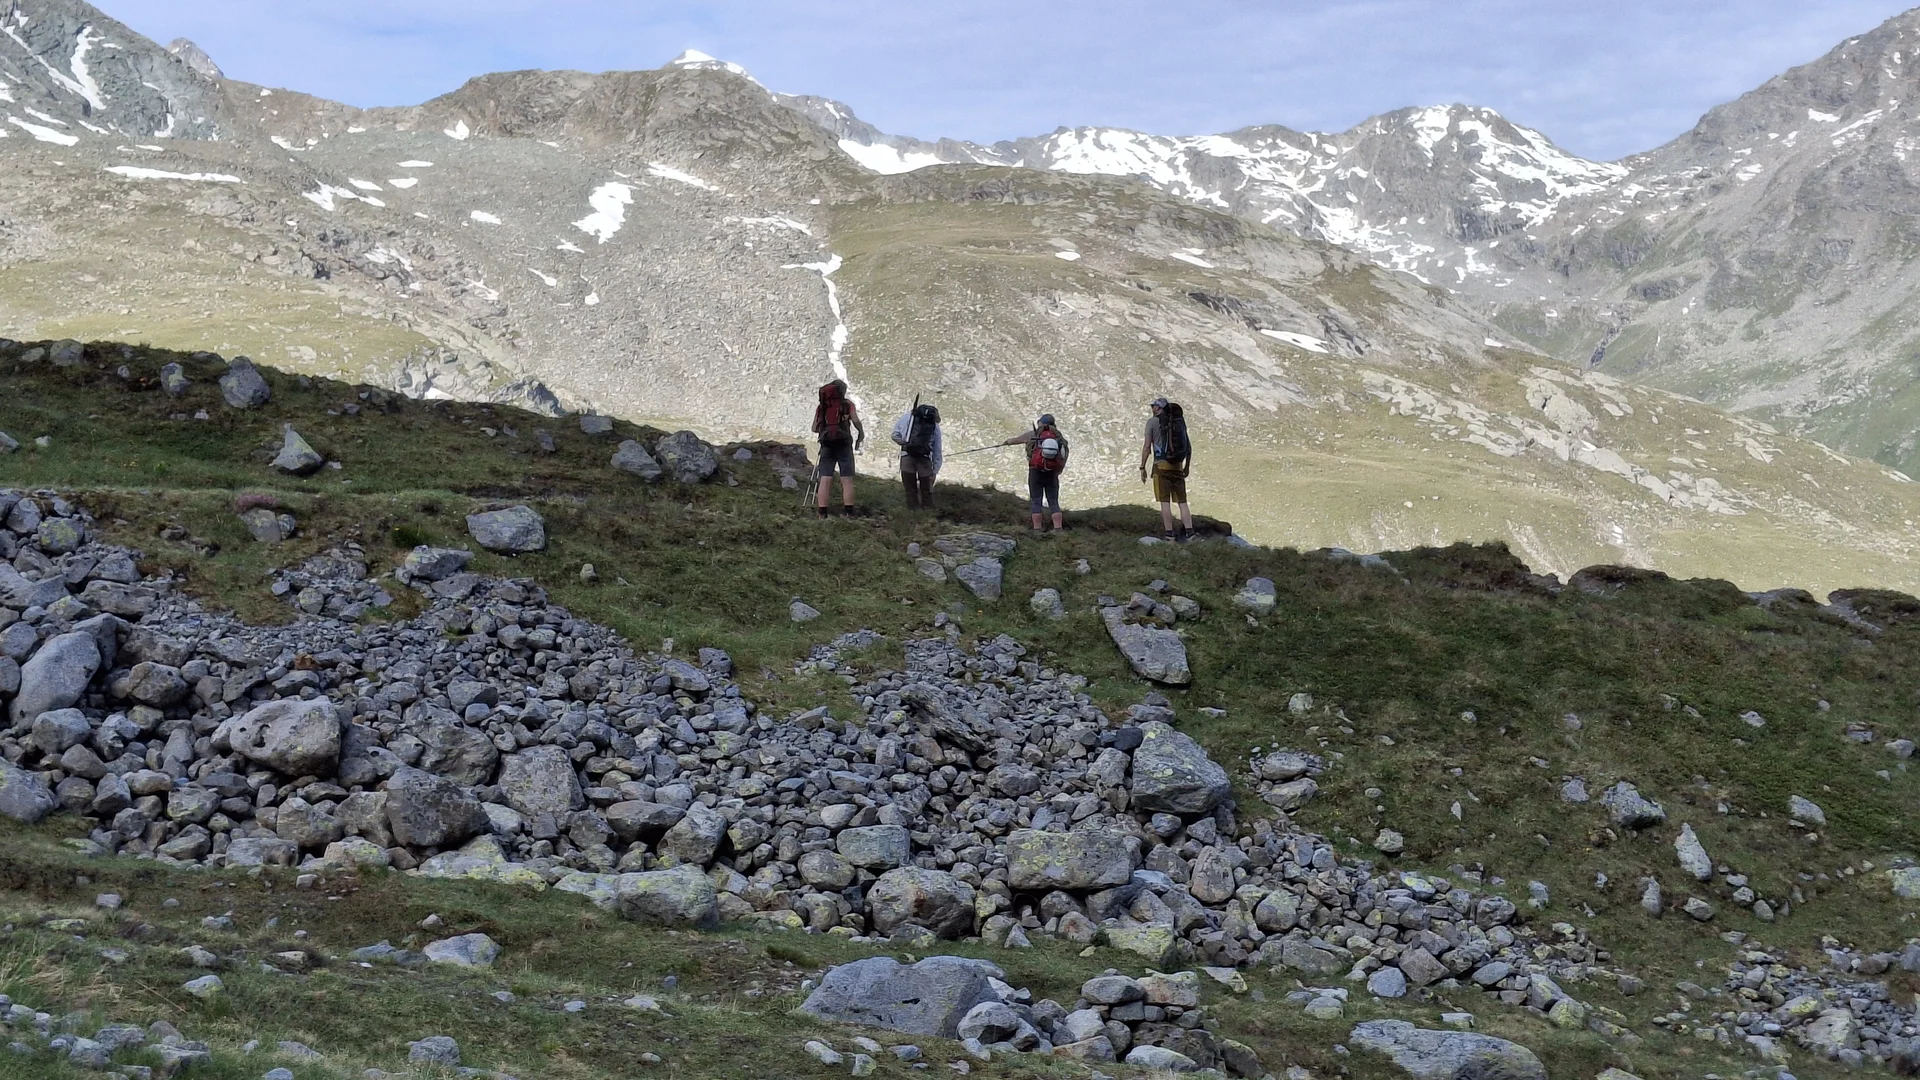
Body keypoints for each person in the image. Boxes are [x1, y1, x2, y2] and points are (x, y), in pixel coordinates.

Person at [1001, 413, 1070, 533]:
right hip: (1052, 473)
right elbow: (1063, 456)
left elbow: (1017, 440)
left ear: (1041, 423)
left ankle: (1037, 529)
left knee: (1036, 499)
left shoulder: (1034, 434)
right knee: (1053, 500)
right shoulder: (1059, 438)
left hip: (1035, 471)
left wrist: (1008, 442)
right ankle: (1058, 529)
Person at [1138, 397, 1193, 541]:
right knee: (1182, 502)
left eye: (1153, 406)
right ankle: (1190, 532)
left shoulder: (1152, 422)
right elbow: (1188, 447)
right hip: (1178, 467)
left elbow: (1146, 447)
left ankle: (1169, 534)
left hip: (1161, 467)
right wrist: (1186, 467)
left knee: (1165, 502)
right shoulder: (1179, 422)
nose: (1152, 408)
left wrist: (1142, 466)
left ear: (1158, 408)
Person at [811, 379, 865, 517]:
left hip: (827, 444)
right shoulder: (847, 405)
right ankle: (849, 512)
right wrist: (860, 433)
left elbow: (814, 428)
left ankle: (822, 512)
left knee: (825, 477)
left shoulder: (822, 406)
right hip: (844, 444)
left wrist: (827, 429)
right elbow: (856, 421)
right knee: (846, 478)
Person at [891, 400, 944, 509]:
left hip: (907, 456)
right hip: (924, 459)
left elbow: (894, 435)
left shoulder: (907, 418)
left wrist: (906, 444)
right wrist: (935, 471)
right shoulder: (934, 425)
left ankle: (912, 514)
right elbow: (937, 449)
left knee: (910, 490)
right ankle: (927, 514)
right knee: (926, 491)